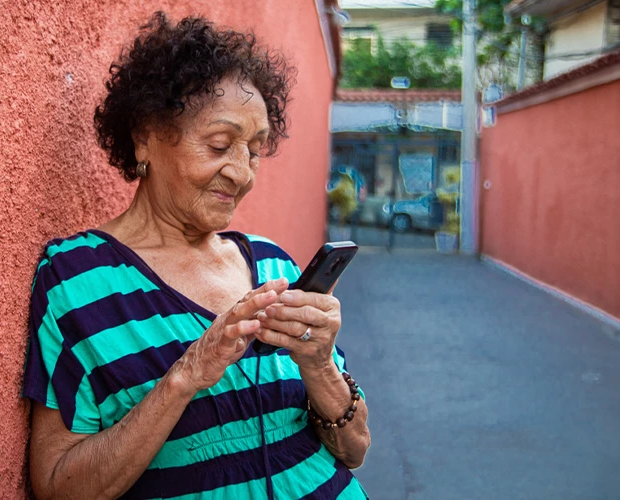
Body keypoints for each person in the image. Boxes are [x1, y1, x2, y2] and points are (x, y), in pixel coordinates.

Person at [23, 12, 371, 499]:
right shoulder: (77, 280)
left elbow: (354, 450)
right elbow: (59, 487)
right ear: (145, 135)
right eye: (220, 144)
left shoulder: (274, 266)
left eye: (254, 151)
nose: (243, 173)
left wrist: (318, 365)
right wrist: (185, 376)